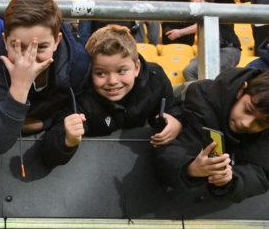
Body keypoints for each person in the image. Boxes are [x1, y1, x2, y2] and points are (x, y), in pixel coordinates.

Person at [153, 67, 269, 202]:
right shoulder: (201, 97)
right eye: (247, 110)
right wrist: (190, 168)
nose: (246, 123)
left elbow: (260, 174)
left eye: (261, 123)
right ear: (241, 90)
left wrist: (229, 180)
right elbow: (171, 150)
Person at [39, 26, 182, 167]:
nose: (112, 81)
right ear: (89, 71)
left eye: (121, 71)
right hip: (92, 167)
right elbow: (48, 152)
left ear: (137, 67)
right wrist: (67, 140)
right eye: (101, 73)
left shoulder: (155, 78)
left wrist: (177, 122)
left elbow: (172, 109)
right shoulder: (81, 95)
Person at [0, 0, 90, 156]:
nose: (28, 58)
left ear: (57, 41)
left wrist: (44, 123)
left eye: (41, 47)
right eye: (18, 46)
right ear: (5, 41)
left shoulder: (78, 64)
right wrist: (20, 86)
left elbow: (70, 119)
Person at [170, 0, 242, 81]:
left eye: (193, 2)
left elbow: (203, 23)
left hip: (227, 49)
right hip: (211, 51)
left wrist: (181, 32)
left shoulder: (213, 9)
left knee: (216, 76)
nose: (191, 5)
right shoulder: (202, 16)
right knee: (189, 71)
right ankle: (200, 89)